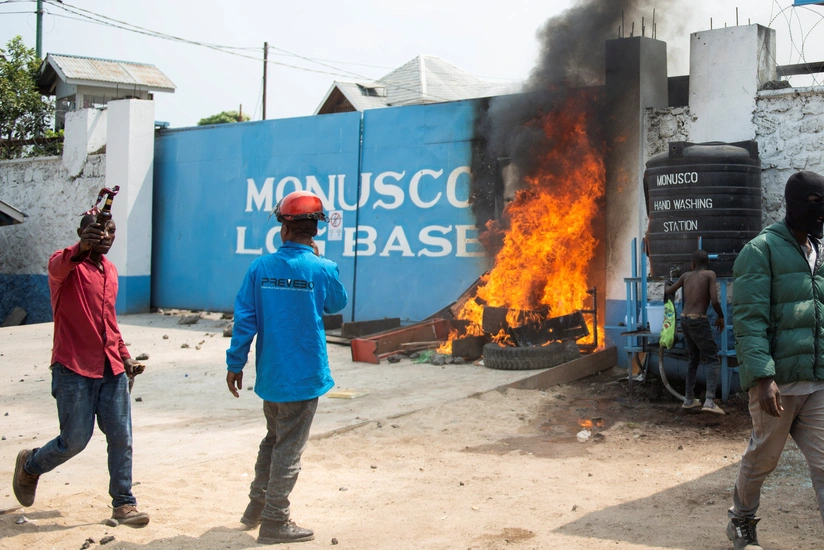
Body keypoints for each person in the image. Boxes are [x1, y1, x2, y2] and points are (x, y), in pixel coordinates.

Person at [226, 190, 348, 545]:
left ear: (283, 228)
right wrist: (323, 264)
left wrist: (236, 363)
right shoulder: (322, 268)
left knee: (274, 438)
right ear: (315, 230)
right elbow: (336, 304)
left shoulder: (260, 267)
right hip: (305, 375)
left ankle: (256, 507)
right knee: (288, 448)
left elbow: (244, 319)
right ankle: (276, 520)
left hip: (272, 374)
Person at [12, 214, 149, 526]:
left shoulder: (110, 271)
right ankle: (31, 465)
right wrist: (80, 246)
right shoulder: (65, 267)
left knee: (120, 436)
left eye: (111, 231)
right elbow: (60, 263)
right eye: (99, 230)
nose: (106, 236)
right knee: (74, 440)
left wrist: (125, 357)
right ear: (83, 232)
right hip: (72, 368)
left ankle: (124, 503)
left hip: (111, 368)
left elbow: (109, 322)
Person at [727, 170, 824, 550]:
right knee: (763, 460)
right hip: (778, 384)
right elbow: (749, 319)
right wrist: (763, 377)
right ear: (794, 203)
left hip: (816, 381)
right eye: (814, 202)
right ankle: (742, 520)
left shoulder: (817, 251)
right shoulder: (761, 249)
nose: (821, 212)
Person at [664, 249, 726, 414]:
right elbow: (714, 300)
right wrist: (721, 315)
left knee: (693, 358)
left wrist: (667, 282)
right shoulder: (709, 274)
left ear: (692, 264)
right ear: (708, 263)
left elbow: (669, 291)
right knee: (713, 359)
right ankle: (710, 401)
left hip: (684, 320)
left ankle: (689, 399)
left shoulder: (686, 276)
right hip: (698, 320)